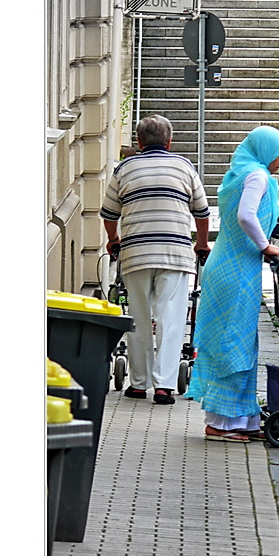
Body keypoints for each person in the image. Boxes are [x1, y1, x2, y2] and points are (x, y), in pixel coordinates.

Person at [185, 125, 279, 443]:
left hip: (229, 267)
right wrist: (266, 246)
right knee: (233, 345)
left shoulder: (241, 171)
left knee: (238, 344)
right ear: (266, 152)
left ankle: (242, 420)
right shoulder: (257, 176)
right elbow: (247, 215)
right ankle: (220, 423)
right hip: (237, 271)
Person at [100, 114, 210, 405]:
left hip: (135, 253)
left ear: (138, 142)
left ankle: (138, 384)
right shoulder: (184, 166)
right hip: (175, 255)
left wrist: (114, 240)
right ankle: (164, 386)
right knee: (171, 320)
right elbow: (202, 212)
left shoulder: (124, 168)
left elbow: (109, 214)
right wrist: (201, 242)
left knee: (136, 317)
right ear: (169, 142)